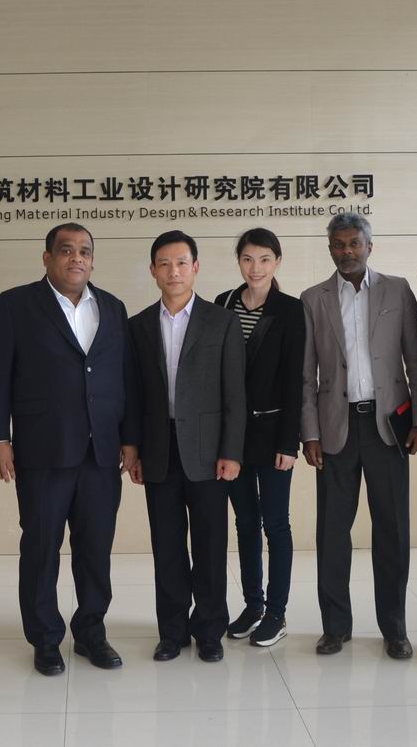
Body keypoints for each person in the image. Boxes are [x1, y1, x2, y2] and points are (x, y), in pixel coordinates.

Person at [0, 223, 139, 676]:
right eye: (66, 250)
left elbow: (125, 379)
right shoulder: (15, 305)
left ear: (93, 260)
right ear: (47, 257)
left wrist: (130, 439)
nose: (77, 258)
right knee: (41, 548)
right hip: (42, 450)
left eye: (85, 251)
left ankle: (91, 632)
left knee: (96, 549)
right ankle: (45, 638)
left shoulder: (112, 307)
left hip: (101, 453)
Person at [300, 214, 417, 661]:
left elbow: (416, 360)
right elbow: (306, 374)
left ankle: (395, 629)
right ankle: (335, 627)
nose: (346, 251)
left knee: (392, 530)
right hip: (336, 429)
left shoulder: (398, 290)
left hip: (388, 427)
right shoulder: (313, 299)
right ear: (330, 249)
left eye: (354, 243)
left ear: (370, 246)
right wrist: (310, 432)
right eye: (338, 245)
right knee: (333, 532)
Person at [127, 230, 246, 663]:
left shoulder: (221, 321)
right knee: (168, 546)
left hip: (210, 453)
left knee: (211, 546)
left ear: (195, 267)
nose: (173, 271)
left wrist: (232, 451)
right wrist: (133, 448)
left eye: (181, 262)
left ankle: (210, 630)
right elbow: (133, 394)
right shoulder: (138, 325)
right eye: (164, 263)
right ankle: (172, 632)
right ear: (153, 270)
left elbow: (235, 393)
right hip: (159, 451)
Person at [212, 228, 303, 648]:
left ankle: (277, 613)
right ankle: (253, 605)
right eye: (248, 259)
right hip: (233, 438)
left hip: (273, 435)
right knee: (245, 522)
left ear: (277, 262)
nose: (256, 268)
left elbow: (295, 379)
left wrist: (289, 443)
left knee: (276, 524)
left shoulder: (290, 309)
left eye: (265, 259)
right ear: (239, 262)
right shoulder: (223, 304)